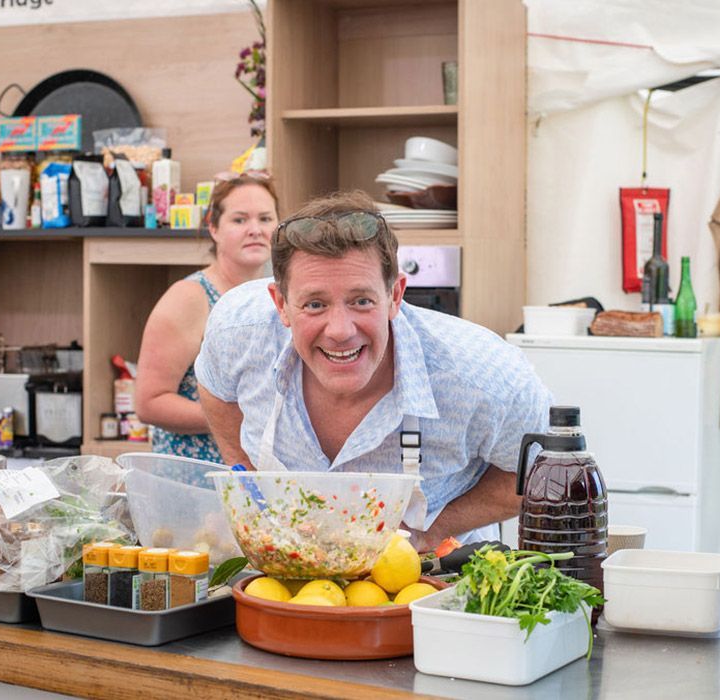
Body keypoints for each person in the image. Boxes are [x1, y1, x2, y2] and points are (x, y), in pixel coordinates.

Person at [194, 190, 551, 551]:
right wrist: (247, 481)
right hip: (279, 571)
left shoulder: (486, 377)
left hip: (432, 581)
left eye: (361, 301)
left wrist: (435, 529)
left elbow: (543, 474)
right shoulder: (237, 331)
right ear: (281, 304)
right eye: (315, 304)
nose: (340, 330)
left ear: (395, 295)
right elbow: (214, 387)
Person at [135, 171, 279, 462]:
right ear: (213, 228)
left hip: (260, 470)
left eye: (265, 219)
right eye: (239, 220)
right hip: (197, 478)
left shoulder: (281, 295)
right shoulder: (189, 297)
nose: (255, 230)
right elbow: (150, 403)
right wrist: (238, 418)